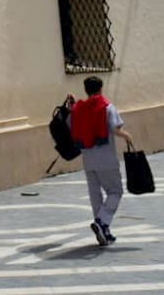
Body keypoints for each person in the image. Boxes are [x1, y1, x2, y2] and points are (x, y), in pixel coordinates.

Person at [64, 76, 133, 246]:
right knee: (115, 192)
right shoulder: (107, 107)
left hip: (88, 159)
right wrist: (127, 136)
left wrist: (71, 105)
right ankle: (102, 222)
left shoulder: (78, 110)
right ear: (101, 89)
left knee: (95, 195)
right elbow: (115, 129)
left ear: (86, 90)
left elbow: (69, 124)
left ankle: (103, 231)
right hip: (106, 158)